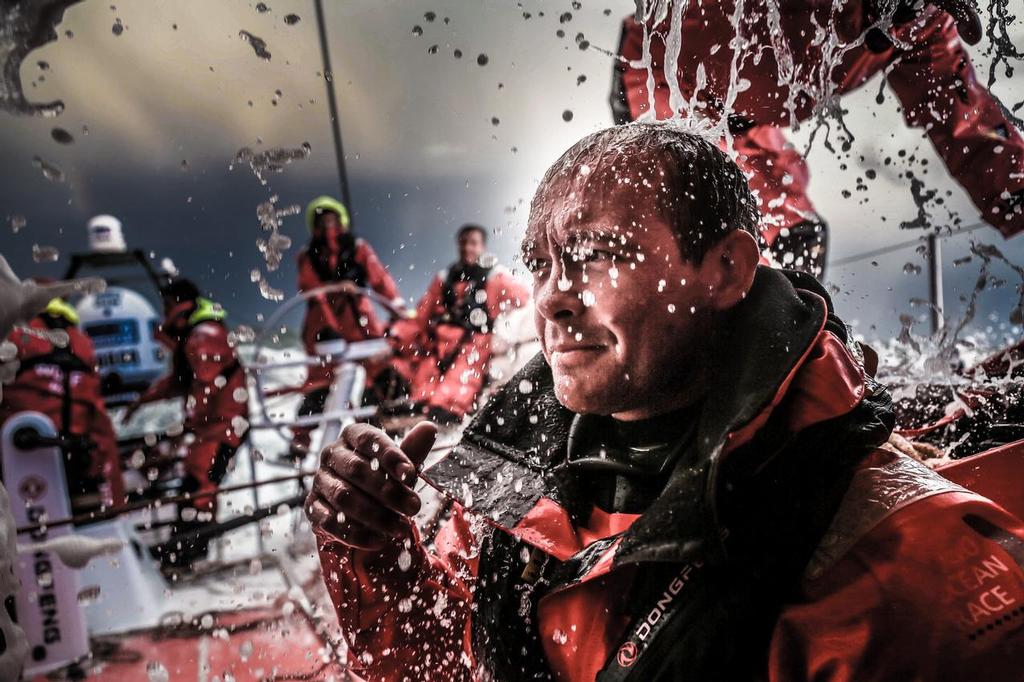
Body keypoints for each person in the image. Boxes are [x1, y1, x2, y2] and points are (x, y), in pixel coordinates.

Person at [306, 123, 1024, 681]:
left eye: (597, 254)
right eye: (542, 264)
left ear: (726, 269)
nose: (552, 297)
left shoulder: (906, 583)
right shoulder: (517, 482)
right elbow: (441, 669)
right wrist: (373, 554)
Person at [612, 0, 1024, 279]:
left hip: (747, 121)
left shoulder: (920, 25)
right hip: (664, 80)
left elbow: (972, 128)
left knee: (798, 246)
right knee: (714, 240)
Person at [126, 278, 246, 569]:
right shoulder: (198, 336)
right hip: (214, 428)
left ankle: (190, 553)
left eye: (166, 305)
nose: (164, 312)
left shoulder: (202, 336)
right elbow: (182, 382)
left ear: (181, 305)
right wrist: (142, 401)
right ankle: (189, 551)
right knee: (195, 486)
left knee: (199, 486)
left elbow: (201, 387)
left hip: (220, 429)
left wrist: (187, 432)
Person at [294, 196, 405, 453]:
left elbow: (380, 279)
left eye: (331, 218)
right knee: (319, 383)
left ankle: (377, 435)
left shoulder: (358, 247)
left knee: (380, 375)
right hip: (325, 327)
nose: (327, 224)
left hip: (360, 324)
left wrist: (396, 306)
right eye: (322, 220)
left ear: (341, 220)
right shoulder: (307, 255)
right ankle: (300, 445)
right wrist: (336, 289)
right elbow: (310, 290)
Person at [390, 224, 530, 424]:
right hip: (442, 341)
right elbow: (422, 314)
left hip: (475, 341)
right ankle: (419, 404)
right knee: (427, 369)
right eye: (464, 243)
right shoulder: (446, 279)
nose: (467, 248)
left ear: (482, 246)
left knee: (462, 376)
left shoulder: (495, 276)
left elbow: (524, 297)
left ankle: (447, 410)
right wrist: (397, 336)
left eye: (473, 243)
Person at [0, 296, 124, 510]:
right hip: (76, 463)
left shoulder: (14, 334)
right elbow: (101, 426)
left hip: (16, 459)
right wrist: (117, 499)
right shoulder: (82, 343)